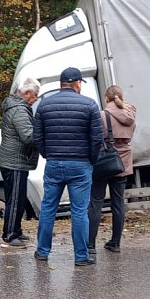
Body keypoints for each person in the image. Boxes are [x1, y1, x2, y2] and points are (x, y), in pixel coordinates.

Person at [32, 67, 103, 266]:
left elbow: (38, 137)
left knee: (48, 209)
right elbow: (97, 138)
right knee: (79, 211)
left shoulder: (44, 105)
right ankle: (81, 256)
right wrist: (91, 159)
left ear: (61, 84)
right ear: (78, 83)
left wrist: (49, 154)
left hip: (54, 163)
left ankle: (42, 251)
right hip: (80, 165)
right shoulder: (89, 105)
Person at [88, 85, 136, 254]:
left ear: (106, 99)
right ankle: (115, 243)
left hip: (103, 161)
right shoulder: (131, 113)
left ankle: (90, 244)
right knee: (118, 203)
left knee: (95, 202)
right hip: (123, 163)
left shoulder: (101, 115)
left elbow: (94, 138)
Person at [0, 77, 41, 248]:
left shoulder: (15, 106)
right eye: (35, 95)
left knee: (18, 198)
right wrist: (43, 131)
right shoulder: (20, 110)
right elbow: (28, 137)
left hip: (14, 160)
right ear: (27, 93)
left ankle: (16, 230)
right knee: (15, 199)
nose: (36, 98)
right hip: (14, 161)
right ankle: (9, 235)